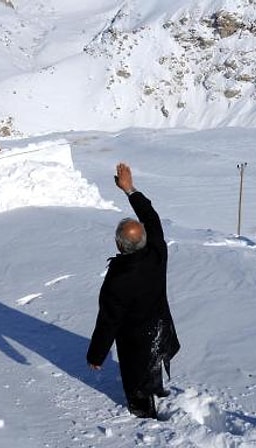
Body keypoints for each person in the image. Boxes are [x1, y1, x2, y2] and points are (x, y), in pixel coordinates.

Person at [87, 162, 180, 419]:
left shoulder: (118, 279)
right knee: (153, 363)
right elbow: (151, 217)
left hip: (135, 340)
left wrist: (97, 355)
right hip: (160, 327)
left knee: (136, 376)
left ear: (119, 244)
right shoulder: (157, 252)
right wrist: (130, 190)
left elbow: (109, 321)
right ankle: (157, 392)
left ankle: (144, 416)